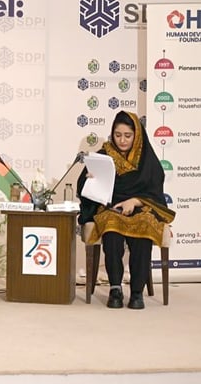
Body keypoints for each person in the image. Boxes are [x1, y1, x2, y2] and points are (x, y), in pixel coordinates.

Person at [77, 111, 175, 310]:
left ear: (137, 135)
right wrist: (90, 180)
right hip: (111, 207)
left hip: (140, 208)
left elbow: (155, 192)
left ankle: (137, 291)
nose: (122, 140)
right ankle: (115, 288)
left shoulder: (148, 160)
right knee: (112, 229)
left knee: (144, 228)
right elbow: (83, 189)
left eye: (127, 136)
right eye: (118, 135)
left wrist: (135, 201)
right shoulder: (104, 155)